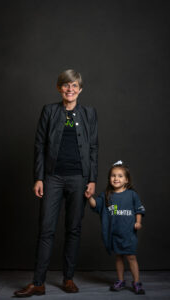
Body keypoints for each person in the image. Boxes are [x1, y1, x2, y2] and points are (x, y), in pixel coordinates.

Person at [14, 69, 98, 297]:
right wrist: (39, 178)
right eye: (65, 85)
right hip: (52, 177)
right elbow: (39, 145)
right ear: (59, 88)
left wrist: (92, 179)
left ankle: (68, 279)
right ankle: (38, 283)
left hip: (79, 178)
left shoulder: (89, 114)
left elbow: (93, 148)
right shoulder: (49, 111)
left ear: (80, 89)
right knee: (46, 229)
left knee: (74, 229)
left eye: (74, 86)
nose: (70, 89)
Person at [85, 160, 145, 295]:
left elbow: (139, 210)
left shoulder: (132, 195)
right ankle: (120, 280)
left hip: (128, 233)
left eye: (120, 176)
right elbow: (96, 205)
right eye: (113, 175)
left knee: (131, 257)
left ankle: (136, 282)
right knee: (118, 258)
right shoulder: (107, 195)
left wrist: (138, 222)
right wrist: (90, 197)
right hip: (114, 234)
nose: (116, 178)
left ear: (127, 179)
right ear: (109, 178)